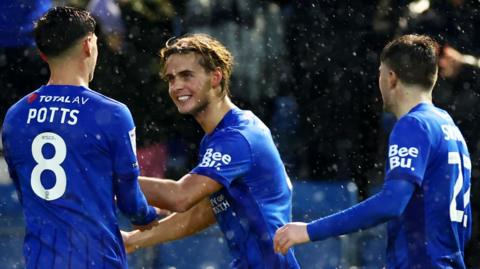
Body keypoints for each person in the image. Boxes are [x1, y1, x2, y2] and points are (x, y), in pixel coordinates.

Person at [274, 34, 472, 269]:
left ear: (391, 78)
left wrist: (308, 230)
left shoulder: (414, 125)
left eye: (380, 72)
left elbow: (392, 202)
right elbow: (462, 224)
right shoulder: (448, 126)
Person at [121, 33, 300, 269]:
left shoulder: (236, 138)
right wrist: (134, 240)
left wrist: (108, 178)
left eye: (186, 76)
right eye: (171, 78)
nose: (176, 86)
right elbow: (204, 211)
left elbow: (180, 196)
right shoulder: (218, 137)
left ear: (216, 77)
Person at [1, 6, 159, 269]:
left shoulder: (15, 116)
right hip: (97, 260)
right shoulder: (113, 114)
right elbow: (129, 198)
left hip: (41, 260)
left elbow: (25, 189)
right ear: (88, 45)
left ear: (42, 53)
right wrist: (148, 216)